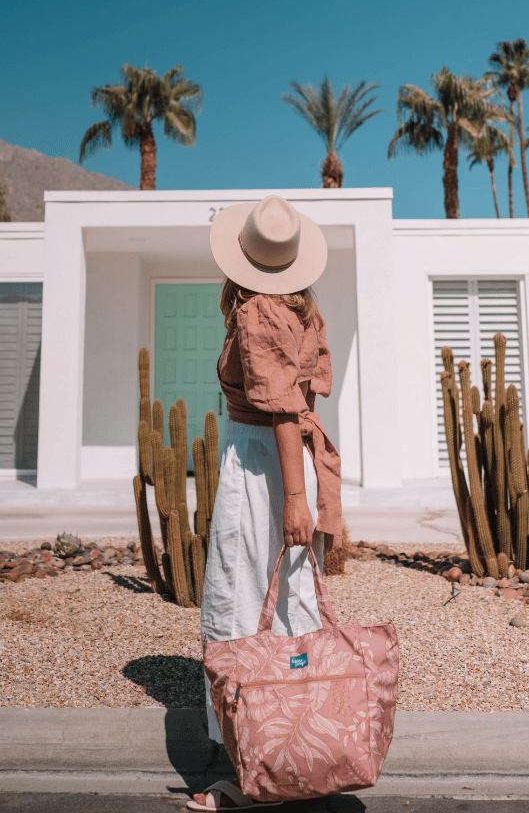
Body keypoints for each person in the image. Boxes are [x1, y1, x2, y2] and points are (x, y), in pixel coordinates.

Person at [187, 195, 342, 812]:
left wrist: (295, 499)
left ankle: (260, 773)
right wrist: (301, 479)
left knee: (248, 601)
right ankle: (301, 753)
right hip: (279, 463)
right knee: (288, 606)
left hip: (260, 466)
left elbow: (281, 411)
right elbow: (304, 402)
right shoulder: (298, 310)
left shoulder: (256, 313)